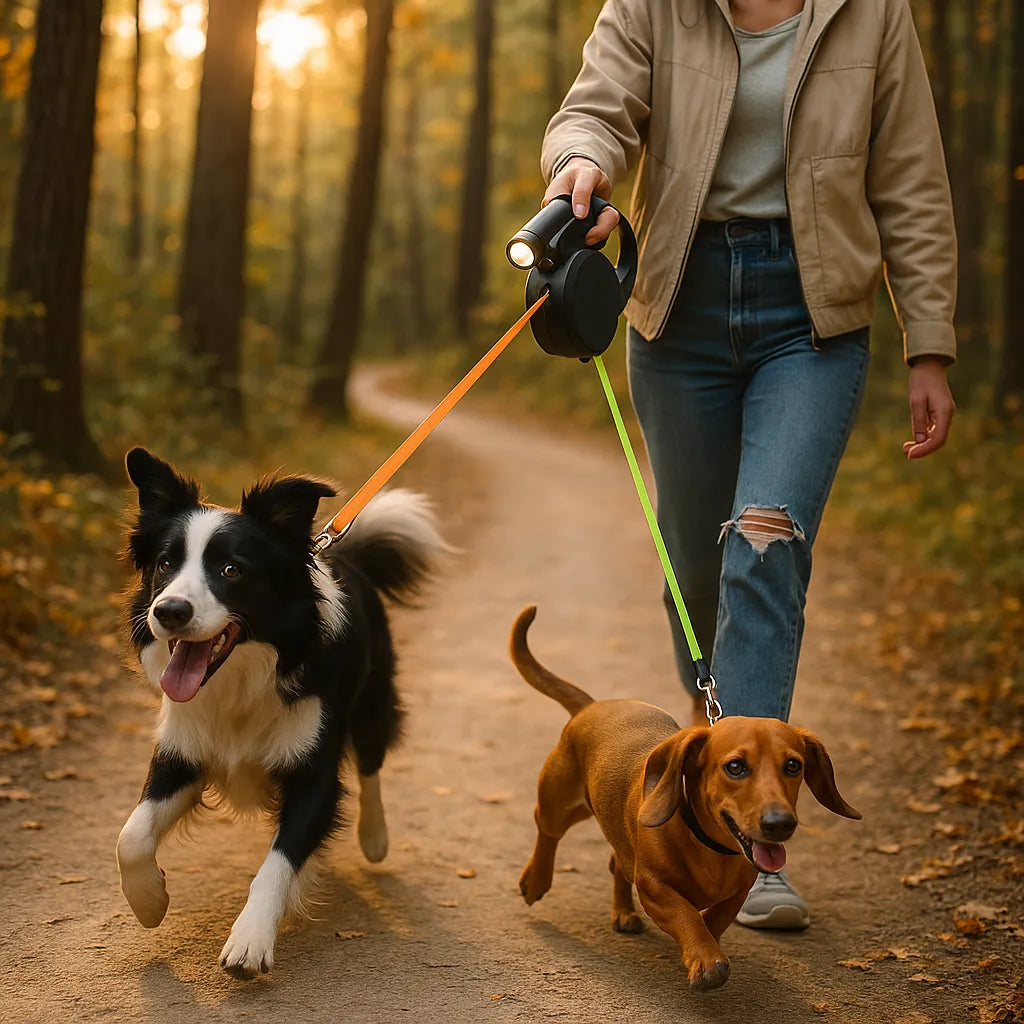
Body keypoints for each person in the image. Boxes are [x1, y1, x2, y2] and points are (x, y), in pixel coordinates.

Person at [539, 0, 956, 930]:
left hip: (812, 317)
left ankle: (757, 848)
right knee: (694, 567)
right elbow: (594, 106)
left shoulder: (874, 15)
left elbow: (913, 180)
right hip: (678, 303)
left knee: (761, 548)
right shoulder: (652, 6)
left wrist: (928, 343)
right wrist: (583, 162)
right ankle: (714, 776)